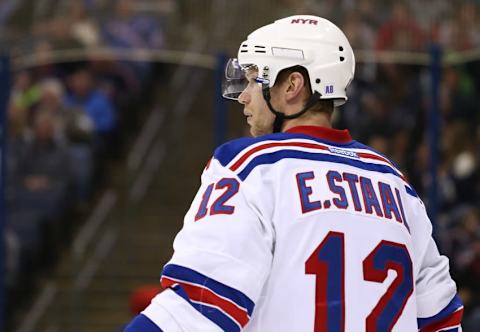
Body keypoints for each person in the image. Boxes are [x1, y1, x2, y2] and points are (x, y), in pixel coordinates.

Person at [125, 15, 463, 331]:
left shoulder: (251, 167)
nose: (244, 95)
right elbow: (442, 321)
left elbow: (197, 309)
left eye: (256, 78)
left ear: (292, 86)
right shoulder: (396, 184)